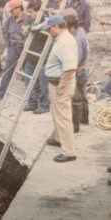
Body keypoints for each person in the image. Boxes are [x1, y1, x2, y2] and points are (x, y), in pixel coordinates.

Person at [42, 15, 78, 163]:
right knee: (56, 113)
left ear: (56, 26)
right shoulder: (61, 39)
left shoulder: (65, 42)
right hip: (55, 82)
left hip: (61, 83)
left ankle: (69, 152)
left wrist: (61, 86)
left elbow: (70, 69)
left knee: (63, 117)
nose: (49, 32)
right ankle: (59, 138)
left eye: (50, 29)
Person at [0, 0, 30, 105]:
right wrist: (8, 46)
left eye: (12, 10)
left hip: (25, 49)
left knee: (29, 73)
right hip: (13, 48)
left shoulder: (28, 20)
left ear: (19, 8)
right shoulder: (10, 20)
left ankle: (33, 99)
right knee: (7, 72)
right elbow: (5, 32)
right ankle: (0, 96)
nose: (11, 13)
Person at [61, 9, 90, 133]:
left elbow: (75, 59)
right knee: (81, 95)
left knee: (75, 99)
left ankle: (75, 126)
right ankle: (84, 119)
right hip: (83, 69)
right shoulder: (81, 30)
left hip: (77, 70)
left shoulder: (76, 38)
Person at [23, 0, 50, 114]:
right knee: (28, 80)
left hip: (43, 57)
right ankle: (32, 102)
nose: (29, 14)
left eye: (31, 12)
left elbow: (37, 27)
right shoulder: (32, 21)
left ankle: (45, 105)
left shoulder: (46, 20)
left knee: (43, 82)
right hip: (31, 55)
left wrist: (29, 28)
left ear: (39, 12)